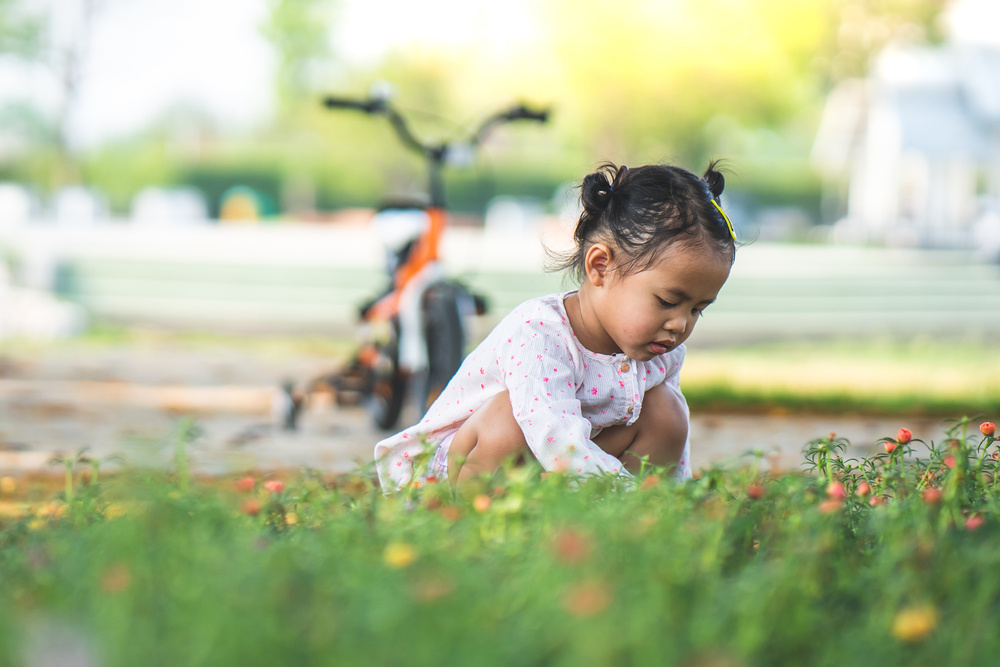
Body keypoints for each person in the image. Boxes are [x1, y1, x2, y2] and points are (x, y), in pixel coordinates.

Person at [373, 162, 737, 492]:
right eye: (668, 302)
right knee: (509, 420)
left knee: (666, 411)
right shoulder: (540, 334)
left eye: (698, 310)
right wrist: (621, 490)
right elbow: (552, 434)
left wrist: (677, 501)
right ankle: (475, 530)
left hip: (559, 476)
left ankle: (616, 532)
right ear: (600, 267)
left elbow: (673, 440)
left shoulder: (657, 350)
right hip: (461, 471)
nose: (679, 324)